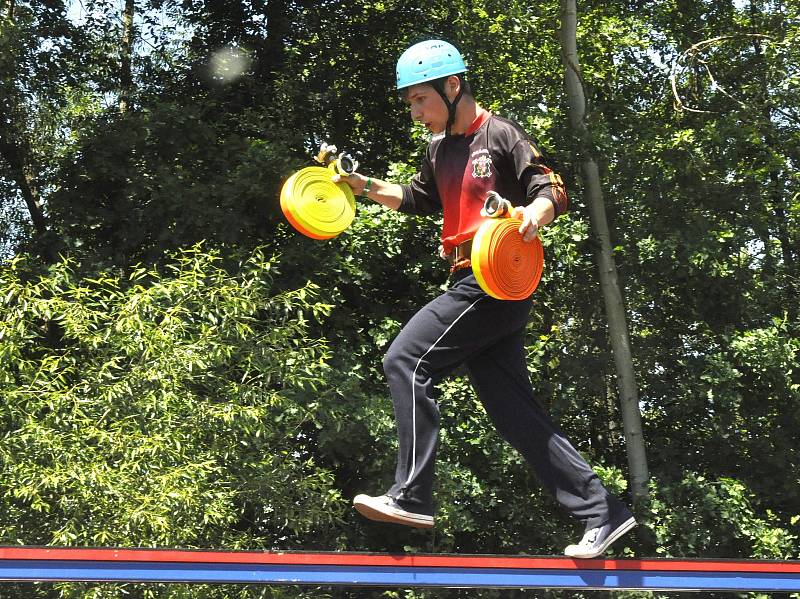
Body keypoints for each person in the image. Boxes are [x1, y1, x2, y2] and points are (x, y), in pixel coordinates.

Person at [332, 39, 636, 559]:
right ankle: (601, 510)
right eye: (409, 103)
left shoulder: (500, 133)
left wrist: (529, 217)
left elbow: (551, 189)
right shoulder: (439, 148)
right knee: (510, 408)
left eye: (419, 100)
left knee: (405, 359)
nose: (415, 112)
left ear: (452, 87)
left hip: (495, 276)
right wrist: (362, 185)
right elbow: (421, 198)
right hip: (469, 280)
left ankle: (412, 495)